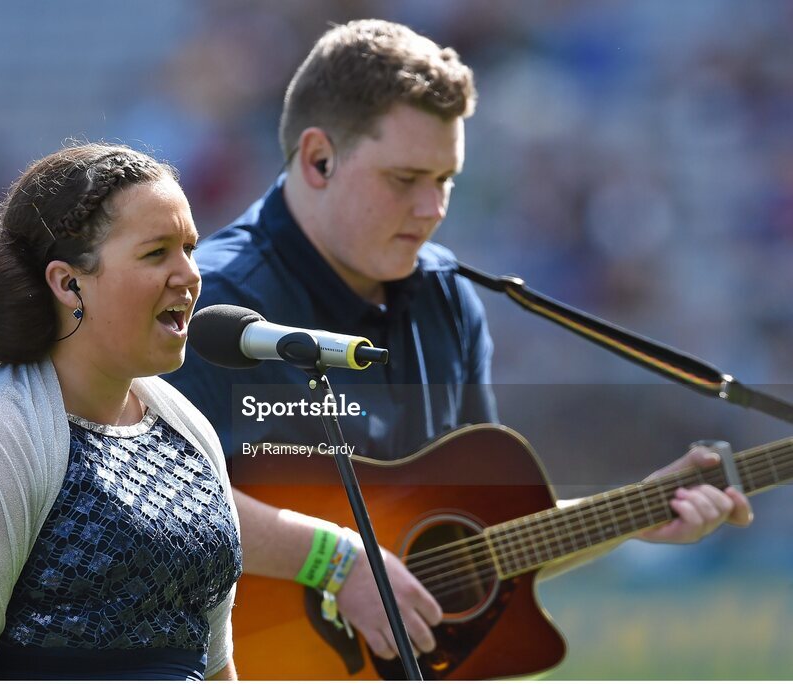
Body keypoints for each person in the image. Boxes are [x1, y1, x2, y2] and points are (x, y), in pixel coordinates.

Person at [165, 19, 752, 663]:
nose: (433, 207)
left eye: (446, 180)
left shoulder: (449, 299)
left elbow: (481, 547)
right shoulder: (204, 299)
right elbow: (150, 500)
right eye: (405, 179)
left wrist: (637, 511)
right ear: (317, 159)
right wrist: (336, 561)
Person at [0, 143, 242, 680]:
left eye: (190, 248)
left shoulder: (189, 433)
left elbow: (215, 667)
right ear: (67, 282)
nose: (189, 275)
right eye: (156, 253)